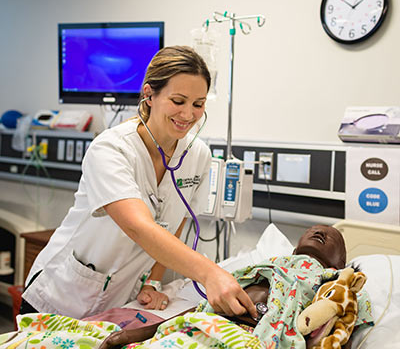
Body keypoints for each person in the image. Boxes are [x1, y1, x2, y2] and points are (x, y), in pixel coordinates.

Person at [20, 45, 257, 321]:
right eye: (178, 101)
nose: (188, 114)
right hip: (62, 296)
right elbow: (138, 226)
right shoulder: (111, 149)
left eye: (198, 104)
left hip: (122, 302)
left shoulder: (198, 154)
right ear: (149, 95)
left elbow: (176, 223)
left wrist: (154, 281)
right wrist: (209, 272)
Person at [99, 224, 373, 349]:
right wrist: (139, 334)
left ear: (341, 262)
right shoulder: (268, 266)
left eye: (332, 235)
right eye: (314, 228)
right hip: (202, 328)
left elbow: (338, 331)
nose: (320, 231)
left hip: (253, 339)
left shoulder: (336, 284)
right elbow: (209, 304)